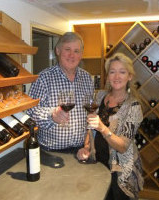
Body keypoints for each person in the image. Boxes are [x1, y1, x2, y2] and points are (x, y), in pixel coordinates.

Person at [77, 53, 144, 200]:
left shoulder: (133, 106)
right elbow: (90, 127)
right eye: (112, 72)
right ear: (108, 76)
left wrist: (102, 128)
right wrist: (86, 147)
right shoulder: (100, 96)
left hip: (121, 171)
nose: (116, 76)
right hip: (98, 163)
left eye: (122, 72)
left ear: (130, 76)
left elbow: (123, 146)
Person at [27, 32, 94, 152]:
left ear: (81, 55)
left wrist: (88, 144)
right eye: (67, 49)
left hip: (81, 149)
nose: (71, 55)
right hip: (50, 151)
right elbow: (30, 112)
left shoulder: (87, 78)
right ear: (58, 51)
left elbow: (89, 113)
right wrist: (51, 115)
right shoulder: (43, 78)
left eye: (76, 51)